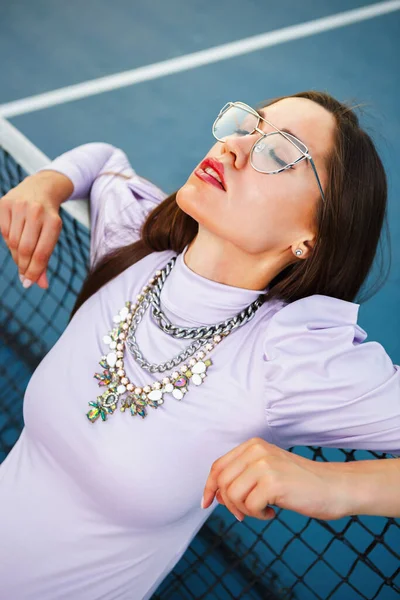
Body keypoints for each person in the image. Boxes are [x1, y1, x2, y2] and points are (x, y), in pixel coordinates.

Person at [0, 90, 399, 600]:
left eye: (278, 152)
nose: (234, 147)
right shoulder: (133, 243)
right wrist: (42, 185)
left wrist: (338, 487)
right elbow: (102, 163)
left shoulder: (290, 361)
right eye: (247, 125)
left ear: (312, 234)